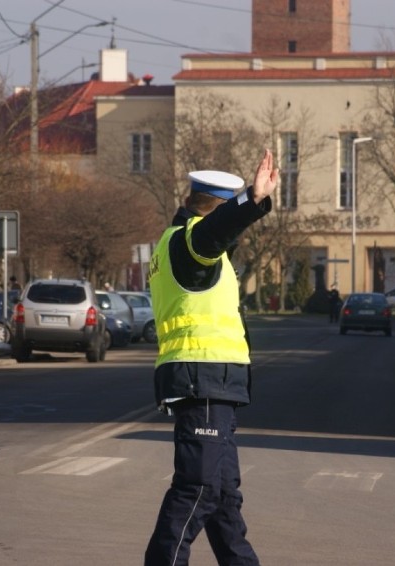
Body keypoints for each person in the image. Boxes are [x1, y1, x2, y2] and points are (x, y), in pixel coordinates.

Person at [144, 149, 278, 566]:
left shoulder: (181, 245)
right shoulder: (191, 243)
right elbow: (214, 233)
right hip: (201, 378)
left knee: (222, 496)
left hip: (211, 381)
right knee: (198, 488)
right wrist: (251, 202)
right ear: (214, 210)